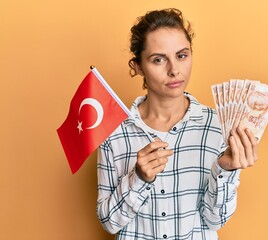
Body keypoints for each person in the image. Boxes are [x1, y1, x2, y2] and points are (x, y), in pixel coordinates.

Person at [96, 8, 258, 240]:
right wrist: (138, 179)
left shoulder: (218, 126)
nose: (174, 70)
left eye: (181, 55)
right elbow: (109, 222)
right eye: (159, 59)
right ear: (139, 66)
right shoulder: (114, 132)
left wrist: (226, 170)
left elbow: (215, 220)